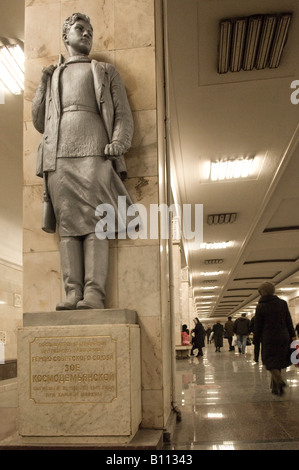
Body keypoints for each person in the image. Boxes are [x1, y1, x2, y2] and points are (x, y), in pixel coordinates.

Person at [32, 13, 134, 311]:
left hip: (95, 150)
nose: (86, 34)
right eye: (80, 29)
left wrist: (119, 142)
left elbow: (122, 113)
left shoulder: (103, 70)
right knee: (67, 227)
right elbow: (39, 121)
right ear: (66, 36)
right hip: (59, 154)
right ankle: (71, 292)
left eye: (89, 30)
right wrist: (42, 82)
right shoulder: (54, 74)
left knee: (96, 224)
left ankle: (94, 294)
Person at [254, 282, 296, 396]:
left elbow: (258, 325)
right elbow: (289, 321)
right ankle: (276, 388)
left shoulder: (261, 306)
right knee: (278, 360)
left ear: (262, 292)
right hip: (284, 335)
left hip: (269, 337)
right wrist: (293, 336)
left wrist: (256, 339)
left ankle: (280, 380)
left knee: (269, 361)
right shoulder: (282, 303)